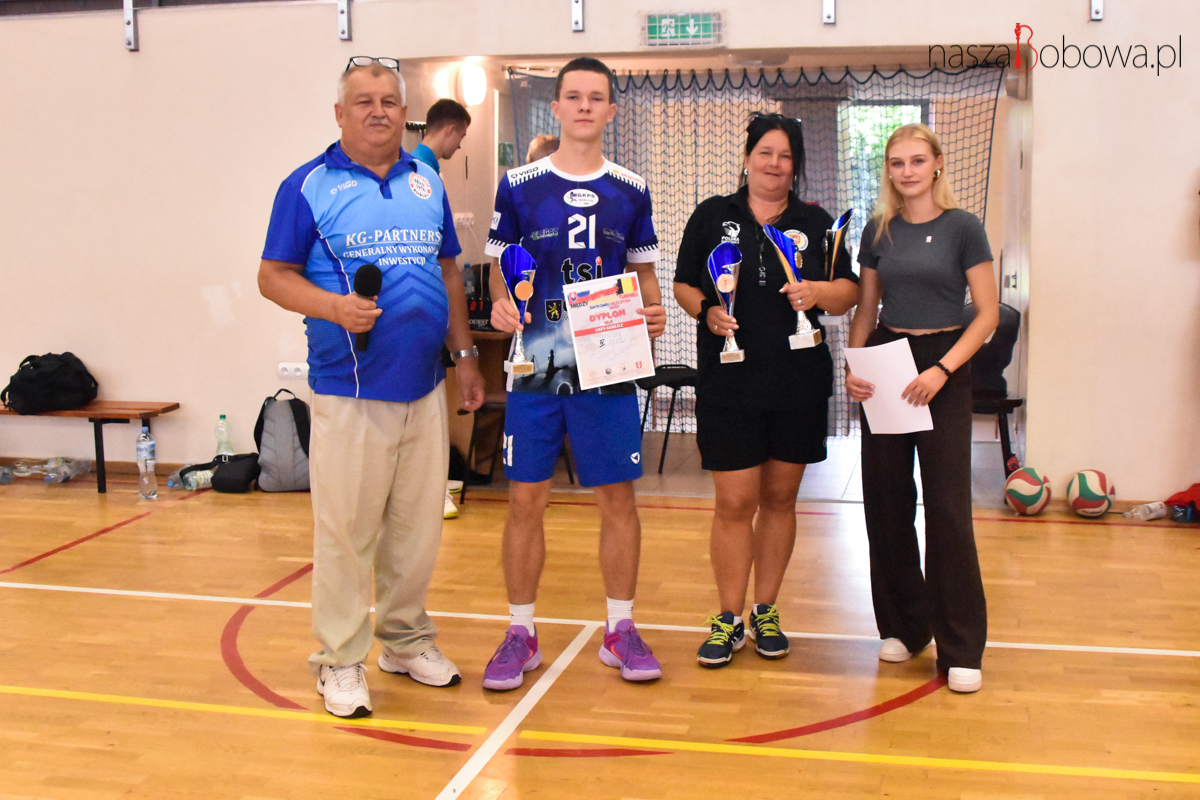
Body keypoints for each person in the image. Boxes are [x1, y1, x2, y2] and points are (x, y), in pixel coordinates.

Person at [258, 56, 484, 718]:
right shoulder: (306, 186)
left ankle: (404, 641)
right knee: (346, 534)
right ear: (340, 113)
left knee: (416, 531)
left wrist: (466, 356)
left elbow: (447, 271)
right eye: (364, 101)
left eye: (389, 101)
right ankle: (338, 659)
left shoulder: (426, 180)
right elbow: (272, 276)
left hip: (424, 386)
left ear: (403, 112)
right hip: (349, 389)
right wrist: (335, 308)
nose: (378, 111)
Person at [481, 57, 667, 690]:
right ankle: (520, 633)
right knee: (524, 498)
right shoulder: (518, 185)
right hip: (535, 361)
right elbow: (500, 269)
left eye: (596, 97)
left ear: (611, 110)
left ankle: (620, 629)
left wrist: (653, 308)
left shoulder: (632, 188)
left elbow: (644, 274)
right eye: (574, 96)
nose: (585, 106)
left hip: (607, 360)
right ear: (556, 106)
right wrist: (502, 302)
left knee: (617, 497)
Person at [673, 114, 860, 668]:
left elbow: (848, 292)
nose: (774, 164)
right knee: (734, 503)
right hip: (728, 383)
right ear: (748, 157)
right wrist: (706, 312)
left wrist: (818, 291)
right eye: (765, 152)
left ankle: (766, 611)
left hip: (797, 385)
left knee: (780, 501)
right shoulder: (712, 215)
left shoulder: (816, 222)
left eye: (785, 155)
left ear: (795, 166)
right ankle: (727, 618)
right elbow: (683, 282)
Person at [844, 123, 998, 694]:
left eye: (916, 160)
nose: (906, 171)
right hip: (886, 362)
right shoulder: (878, 230)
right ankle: (905, 627)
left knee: (948, 508)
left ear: (937, 164)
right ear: (888, 170)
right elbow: (866, 308)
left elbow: (986, 314)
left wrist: (942, 370)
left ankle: (961, 647)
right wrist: (854, 365)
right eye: (896, 162)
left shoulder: (964, 228)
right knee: (886, 502)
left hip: (943, 366)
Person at [411, 98, 473, 520]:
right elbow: (443, 264)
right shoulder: (423, 173)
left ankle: (434, 490)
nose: (460, 146)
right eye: (461, 137)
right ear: (449, 129)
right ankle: (432, 493)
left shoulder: (424, 169)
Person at [412, 98, 471, 174]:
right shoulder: (422, 171)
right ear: (451, 131)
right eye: (461, 136)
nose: (459, 146)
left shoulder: (415, 164)